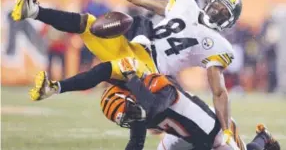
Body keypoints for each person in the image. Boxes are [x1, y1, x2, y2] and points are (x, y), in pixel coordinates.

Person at [12, 0, 241, 148]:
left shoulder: (218, 44)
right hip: (136, 48)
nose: (217, 13)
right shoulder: (186, 3)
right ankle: (33, 10)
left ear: (227, 22)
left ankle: (54, 88)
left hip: (152, 71)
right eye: (218, 7)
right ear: (209, 1)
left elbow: (219, 92)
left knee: (114, 73)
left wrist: (226, 128)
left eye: (223, 13)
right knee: (89, 24)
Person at [31, 58, 280, 150]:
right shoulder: (136, 104)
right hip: (181, 139)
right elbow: (136, 142)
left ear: (128, 98)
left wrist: (132, 79)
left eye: (122, 112)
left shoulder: (155, 85)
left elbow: (154, 107)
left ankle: (262, 138)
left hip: (211, 133)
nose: (126, 118)